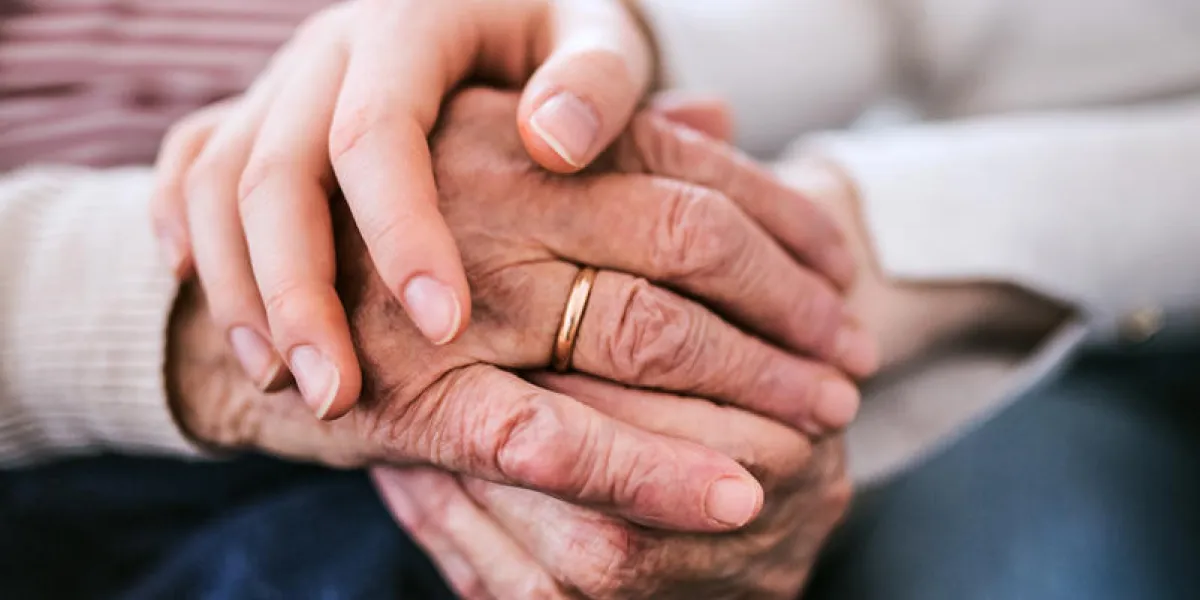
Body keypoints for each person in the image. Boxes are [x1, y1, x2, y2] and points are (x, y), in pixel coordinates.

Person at [2, 0, 1200, 598]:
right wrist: (187, 311)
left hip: (709, 216)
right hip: (73, 431)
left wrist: (614, 32)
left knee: (1059, 543)